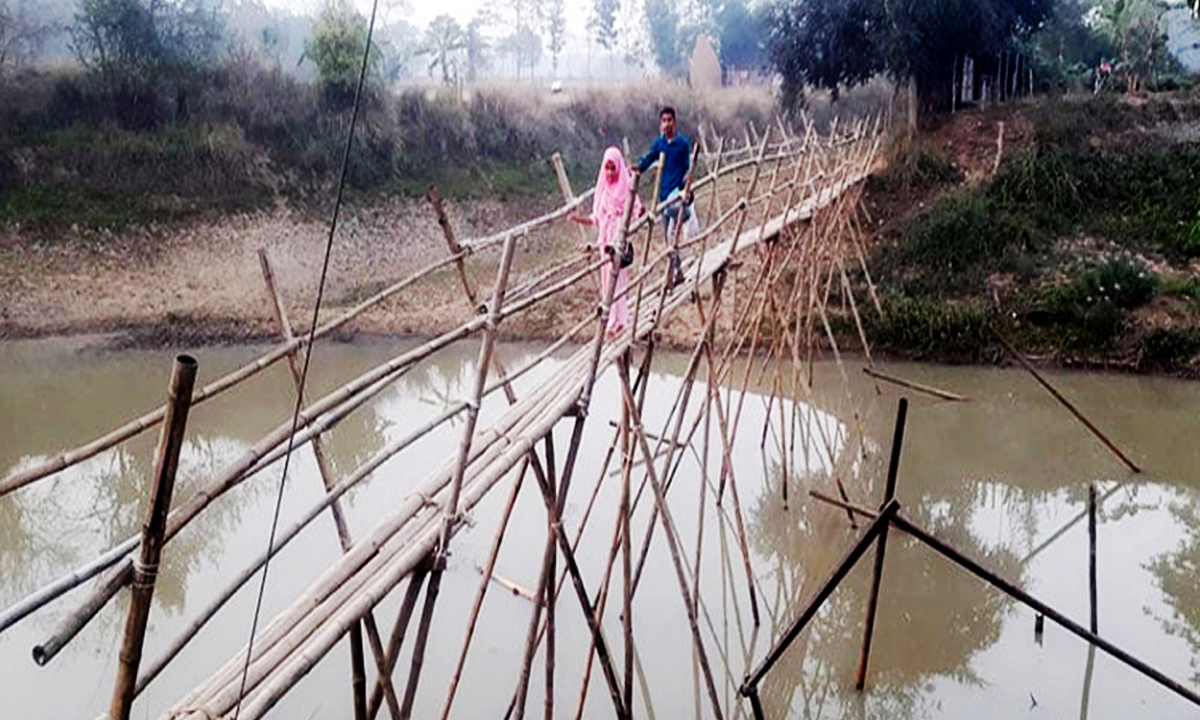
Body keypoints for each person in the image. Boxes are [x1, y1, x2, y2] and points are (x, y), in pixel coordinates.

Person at [571, 147, 644, 337]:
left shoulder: (626, 187)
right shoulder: (603, 191)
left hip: (618, 239)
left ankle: (619, 321)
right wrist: (579, 219)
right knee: (607, 281)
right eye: (607, 168)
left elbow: (637, 209)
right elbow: (596, 217)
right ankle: (612, 321)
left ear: (619, 168)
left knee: (618, 279)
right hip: (605, 242)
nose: (610, 173)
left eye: (613, 168)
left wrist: (626, 225)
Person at [638, 106, 692, 284]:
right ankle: (677, 272)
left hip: (675, 197)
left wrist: (686, 188)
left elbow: (687, 169)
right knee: (669, 240)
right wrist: (638, 169)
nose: (667, 124)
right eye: (664, 121)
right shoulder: (659, 144)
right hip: (663, 197)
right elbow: (649, 158)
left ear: (674, 122)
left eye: (670, 120)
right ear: (660, 124)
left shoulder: (682, 144)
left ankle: (675, 273)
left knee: (671, 236)